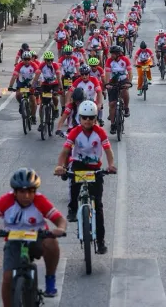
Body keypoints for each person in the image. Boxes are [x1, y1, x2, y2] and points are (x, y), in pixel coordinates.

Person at [0, 169, 67, 303]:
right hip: (13, 240)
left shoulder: (40, 201)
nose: (27, 196)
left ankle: (50, 279)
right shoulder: (6, 200)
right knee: (7, 278)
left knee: (52, 242)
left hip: (37, 239)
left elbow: (60, 220)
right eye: (22, 192)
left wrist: (60, 229)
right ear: (15, 192)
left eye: (31, 191)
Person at [54, 101, 117, 254]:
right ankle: (73, 208)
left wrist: (111, 165)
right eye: (84, 118)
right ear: (79, 118)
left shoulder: (100, 132)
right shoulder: (75, 132)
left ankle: (101, 242)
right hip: (78, 165)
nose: (87, 121)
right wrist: (60, 166)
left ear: (95, 118)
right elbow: (64, 151)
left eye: (91, 118)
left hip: (95, 168)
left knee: (99, 206)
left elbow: (108, 151)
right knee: (74, 187)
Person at [104, 45, 132, 133]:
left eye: (113, 54)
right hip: (113, 81)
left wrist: (129, 82)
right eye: (111, 53)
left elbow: (130, 73)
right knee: (112, 104)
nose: (111, 55)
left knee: (125, 90)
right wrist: (107, 84)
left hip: (123, 79)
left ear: (118, 54)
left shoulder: (125, 60)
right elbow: (107, 74)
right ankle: (112, 124)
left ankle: (126, 107)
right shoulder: (109, 61)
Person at [8, 51, 40, 124]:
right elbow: (14, 76)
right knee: (18, 94)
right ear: (22, 59)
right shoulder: (19, 65)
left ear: (30, 59)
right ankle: (21, 104)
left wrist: (38, 86)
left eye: (28, 59)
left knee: (33, 99)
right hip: (21, 83)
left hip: (31, 83)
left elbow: (39, 76)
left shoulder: (34, 65)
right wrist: (10, 86)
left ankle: (33, 116)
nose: (27, 61)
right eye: (25, 59)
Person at [31, 51, 63, 117]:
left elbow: (59, 78)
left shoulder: (55, 65)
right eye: (48, 60)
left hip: (54, 83)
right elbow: (36, 76)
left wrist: (61, 88)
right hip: (45, 84)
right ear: (45, 60)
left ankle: (56, 108)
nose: (49, 61)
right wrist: (33, 87)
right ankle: (42, 122)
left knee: (54, 96)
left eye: (51, 60)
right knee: (42, 103)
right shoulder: (42, 65)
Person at [58, 45, 80, 111]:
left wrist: (78, 75)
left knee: (74, 90)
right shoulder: (61, 59)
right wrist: (59, 76)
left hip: (72, 76)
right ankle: (63, 107)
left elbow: (78, 69)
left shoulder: (75, 59)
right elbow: (58, 70)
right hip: (64, 76)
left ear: (72, 53)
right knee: (62, 92)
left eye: (69, 54)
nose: (68, 55)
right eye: (66, 54)